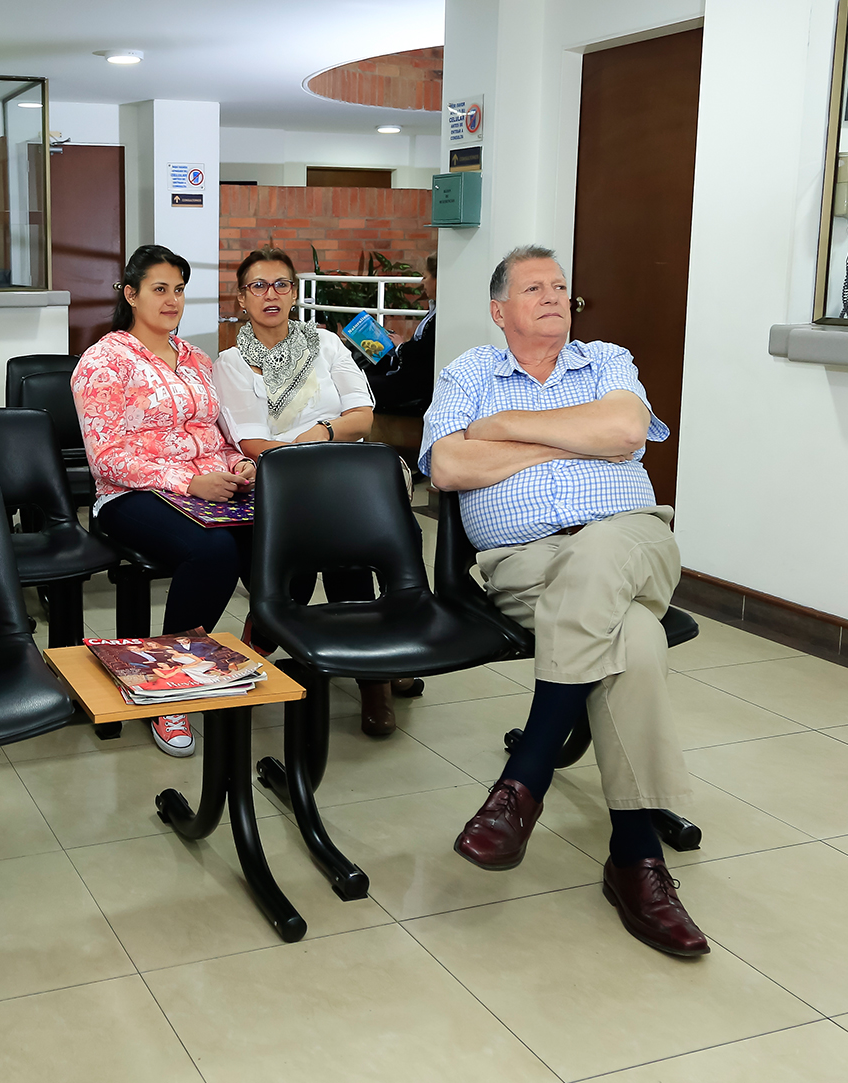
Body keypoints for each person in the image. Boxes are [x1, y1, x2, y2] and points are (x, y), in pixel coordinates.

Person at [421, 244, 709, 957]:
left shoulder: (606, 360)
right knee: (634, 642)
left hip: (633, 541)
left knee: (600, 549)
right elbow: (449, 465)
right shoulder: (468, 374)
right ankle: (635, 858)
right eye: (533, 288)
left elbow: (625, 431)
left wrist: (504, 428)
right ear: (499, 311)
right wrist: (574, 442)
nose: (553, 296)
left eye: (559, 286)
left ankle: (526, 777)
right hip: (526, 565)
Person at [212, 246, 420, 738]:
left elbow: (361, 417)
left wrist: (317, 436)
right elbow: (250, 442)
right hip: (284, 483)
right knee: (340, 539)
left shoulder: (325, 343)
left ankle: (376, 669)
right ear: (242, 298)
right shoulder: (230, 363)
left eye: (281, 284)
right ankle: (374, 671)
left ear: (294, 293)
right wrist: (311, 449)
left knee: (349, 534)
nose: (270, 294)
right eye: (258, 286)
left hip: (343, 472)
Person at [73, 244, 256, 757]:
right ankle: (168, 685)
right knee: (214, 551)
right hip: (132, 495)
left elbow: (215, 434)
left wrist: (237, 464)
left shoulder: (196, 358)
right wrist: (187, 482)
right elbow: (106, 457)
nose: (172, 300)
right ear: (131, 295)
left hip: (208, 489)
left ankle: (249, 651)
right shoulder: (104, 361)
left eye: (178, 289)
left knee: (279, 535)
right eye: (159, 289)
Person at [374, 253, 439, 415]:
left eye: (425, 277)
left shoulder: (442, 315)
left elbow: (425, 350)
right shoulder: (435, 309)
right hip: (410, 374)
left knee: (362, 386)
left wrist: (401, 347)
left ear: (437, 280)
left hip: (416, 384)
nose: (422, 282)